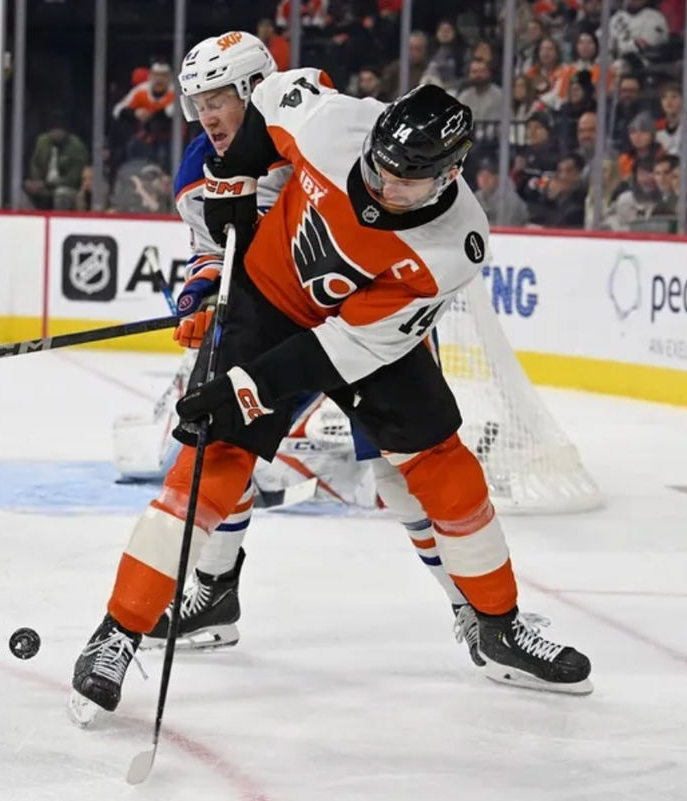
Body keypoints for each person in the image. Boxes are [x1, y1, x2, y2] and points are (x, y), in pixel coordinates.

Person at [69, 66, 593, 725]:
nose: (384, 186)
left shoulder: (452, 247)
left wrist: (243, 388)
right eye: (380, 169)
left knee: (443, 469)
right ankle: (117, 631)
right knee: (205, 471)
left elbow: (346, 348)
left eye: (406, 180)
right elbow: (260, 112)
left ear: (450, 175)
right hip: (267, 302)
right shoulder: (331, 122)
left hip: (364, 338)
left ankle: (499, 628)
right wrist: (233, 188)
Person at [138, 31, 500, 660]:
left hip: (361, 329)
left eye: (220, 97)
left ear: (254, 88)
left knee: (402, 470)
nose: (208, 117)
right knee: (221, 442)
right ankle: (214, 593)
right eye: (197, 103)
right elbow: (209, 254)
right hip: (274, 319)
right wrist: (201, 296)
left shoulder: (323, 130)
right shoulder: (198, 169)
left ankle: (475, 611)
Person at [23, 113, 88, 211]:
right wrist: (35, 181)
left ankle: (60, 222)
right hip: (43, 185)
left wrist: (45, 184)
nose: (55, 134)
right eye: (52, 131)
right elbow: (36, 164)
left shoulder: (77, 147)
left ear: (66, 131)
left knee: (61, 193)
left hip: (69, 189)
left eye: (59, 131)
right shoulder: (42, 141)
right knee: (20, 190)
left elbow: (73, 179)